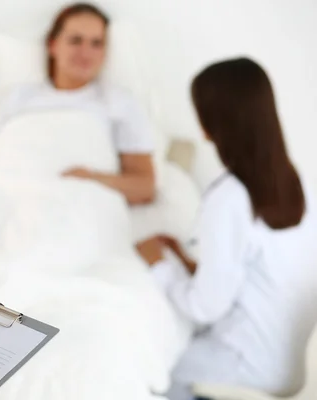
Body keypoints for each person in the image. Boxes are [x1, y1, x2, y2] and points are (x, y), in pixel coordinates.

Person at [136, 58, 317, 400]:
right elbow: (256, 274)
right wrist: (190, 264)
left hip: (248, 366)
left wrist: (158, 266)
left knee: (151, 370)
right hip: (295, 364)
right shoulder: (302, 183)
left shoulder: (230, 199)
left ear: (208, 125)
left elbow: (206, 308)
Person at [0, 3, 156, 204]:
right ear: (53, 45)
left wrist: (90, 179)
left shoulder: (119, 103)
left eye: (96, 43)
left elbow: (144, 188)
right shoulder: (18, 98)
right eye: (75, 40)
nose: (85, 52)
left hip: (79, 202)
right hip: (17, 197)